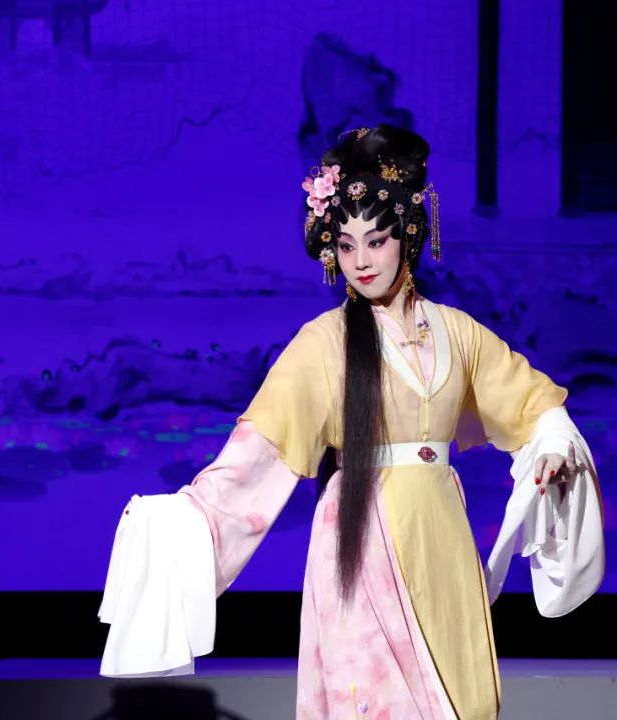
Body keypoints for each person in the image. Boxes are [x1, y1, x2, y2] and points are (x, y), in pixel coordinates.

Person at [99, 125, 604, 719]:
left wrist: (552, 444)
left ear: (407, 237)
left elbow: (534, 404)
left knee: (464, 699)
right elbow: (258, 448)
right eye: (345, 245)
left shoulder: (459, 333)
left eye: (376, 241)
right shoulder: (324, 342)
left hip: (441, 534)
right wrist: (177, 522)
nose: (360, 261)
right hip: (360, 541)